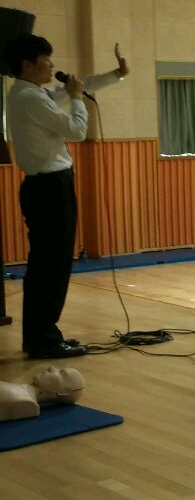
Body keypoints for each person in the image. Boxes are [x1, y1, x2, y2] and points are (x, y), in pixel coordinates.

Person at [3, 35, 128, 359]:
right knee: (51, 267)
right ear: (27, 64)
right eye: (47, 60)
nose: (52, 65)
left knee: (48, 265)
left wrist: (116, 75)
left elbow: (76, 87)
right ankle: (43, 340)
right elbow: (76, 130)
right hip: (49, 188)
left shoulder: (31, 94)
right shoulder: (29, 98)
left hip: (47, 187)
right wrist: (76, 100)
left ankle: (42, 336)